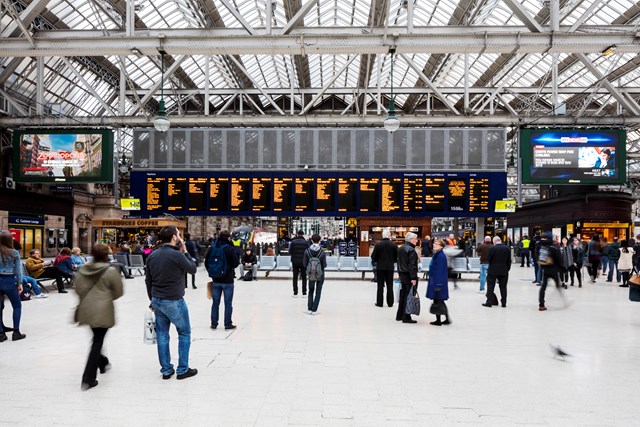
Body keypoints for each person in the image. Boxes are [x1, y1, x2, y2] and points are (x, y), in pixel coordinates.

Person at [145, 226, 198, 380]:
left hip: (157, 300)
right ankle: (182, 369)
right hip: (174, 300)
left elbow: (148, 280)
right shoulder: (178, 255)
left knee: (162, 334)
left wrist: (152, 300)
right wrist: (186, 251)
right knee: (184, 332)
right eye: (178, 235)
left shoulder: (153, 255)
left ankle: (166, 370)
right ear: (174, 237)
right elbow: (193, 269)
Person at [74, 243, 124, 391]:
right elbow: (118, 292)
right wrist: (106, 298)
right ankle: (88, 378)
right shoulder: (110, 271)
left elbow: (77, 289)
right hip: (103, 310)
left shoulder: (82, 269)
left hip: (86, 309)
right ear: (106, 255)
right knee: (97, 341)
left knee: (97, 337)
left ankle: (103, 363)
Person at [206, 230, 239, 330]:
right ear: (228, 237)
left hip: (215, 281)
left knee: (215, 303)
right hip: (228, 281)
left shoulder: (212, 247)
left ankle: (214, 323)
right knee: (228, 303)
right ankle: (227, 323)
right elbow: (235, 264)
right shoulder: (229, 248)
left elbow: (206, 262)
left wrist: (212, 274)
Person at [0, 231, 25, 342]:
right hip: (9, 280)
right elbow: (18, 270)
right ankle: (16, 332)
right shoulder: (14, 253)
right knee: (17, 306)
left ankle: (1, 334)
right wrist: (20, 283)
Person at [426, 239, 450, 325]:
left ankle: (439, 320)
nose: (434, 245)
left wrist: (438, 284)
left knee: (437, 300)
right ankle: (446, 319)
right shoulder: (437, 254)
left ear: (441, 246)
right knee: (439, 300)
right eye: (434, 243)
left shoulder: (440, 256)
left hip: (438, 281)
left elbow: (440, 271)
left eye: (436, 244)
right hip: (436, 281)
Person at [396, 232, 419, 324]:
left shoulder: (400, 248)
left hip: (403, 275)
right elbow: (412, 265)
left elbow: (398, 262)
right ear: (410, 240)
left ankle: (399, 315)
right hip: (409, 276)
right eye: (415, 239)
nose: (416, 240)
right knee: (409, 296)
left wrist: (399, 273)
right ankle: (406, 316)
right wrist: (413, 278)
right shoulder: (411, 250)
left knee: (403, 295)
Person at [371, 229, 397, 307]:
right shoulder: (394, 245)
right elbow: (397, 257)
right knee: (390, 285)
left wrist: (377, 260)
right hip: (390, 267)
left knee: (380, 285)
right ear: (389, 236)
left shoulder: (378, 245)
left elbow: (373, 257)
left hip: (380, 267)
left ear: (382, 235)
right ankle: (390, 302)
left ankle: (379, 303)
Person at [482, 236, 511, 308]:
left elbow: (488, 259)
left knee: (491, 286)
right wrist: (507, 269)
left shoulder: (492, 248)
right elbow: (509, 260)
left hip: (493, 270)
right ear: (500, 240)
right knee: (503, 287)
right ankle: (504, 303)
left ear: (494, 242)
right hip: (504, 270)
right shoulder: (507, 248)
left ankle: (489, 302)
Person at [538, 232, 564, 311]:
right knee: (558, 285)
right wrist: (563, 269)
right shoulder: (554, 247)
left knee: (543, 287)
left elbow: (539, 257)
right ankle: (564, 302)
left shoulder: (542, 246)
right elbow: (559, 260)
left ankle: (541, 305)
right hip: (554, 270)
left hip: (545, 270)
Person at [303, 234, 327, 315]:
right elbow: (325, 265)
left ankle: (309, 308)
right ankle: (314, 310)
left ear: (312, 240)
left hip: (311, 274)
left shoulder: (307, 251)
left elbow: (304, 264)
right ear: (319, 241)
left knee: (310, 290)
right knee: (318, 291)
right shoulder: (322, 252)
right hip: (320, 274)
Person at [288, 230, 310, 297]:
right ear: (303, 234)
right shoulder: (306, 242)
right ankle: (304, 293)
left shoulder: (293, 242)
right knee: (304, 277)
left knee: (295, 277)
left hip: (295, 262)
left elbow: (290, 251)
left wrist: (294, 255)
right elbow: (308, 252)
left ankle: (295, 293)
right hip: (304, 262)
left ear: (297, 234)